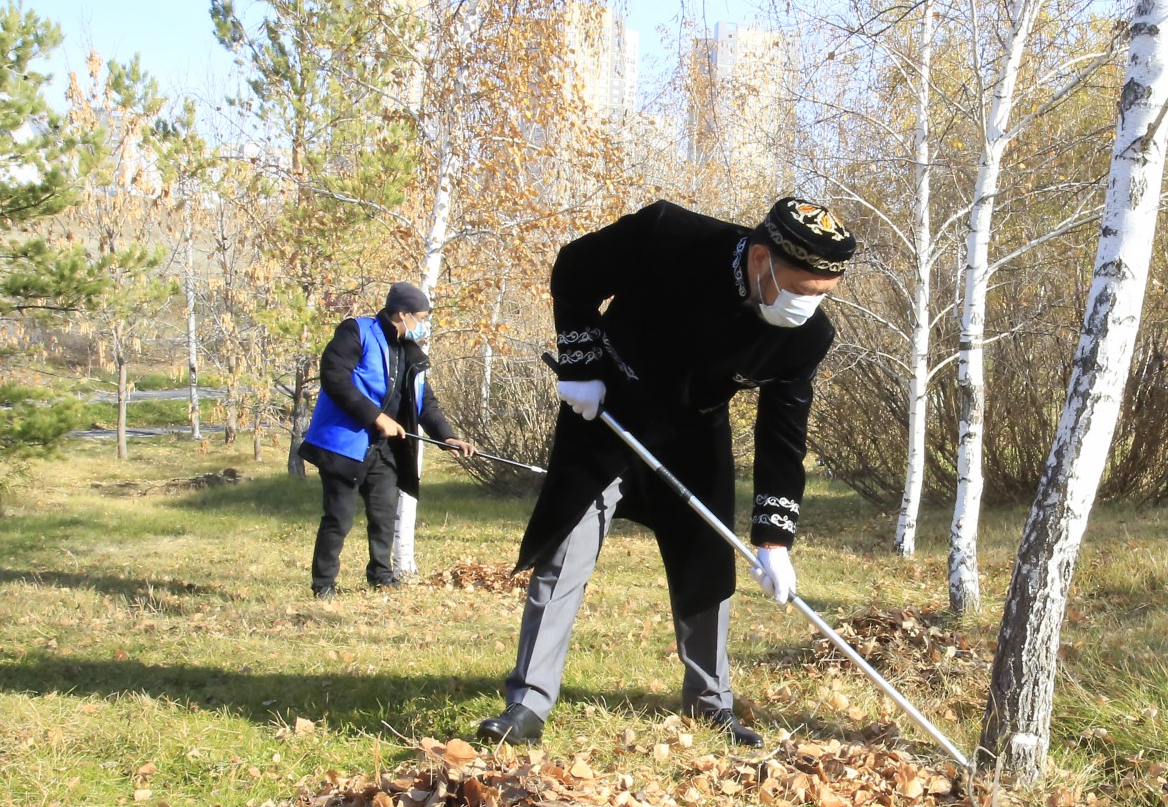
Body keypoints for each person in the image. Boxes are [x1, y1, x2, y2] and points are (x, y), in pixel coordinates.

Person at [474, 197, 856, 748]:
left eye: (821, 296)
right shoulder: (668, 235)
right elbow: (574, 270)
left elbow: (783, 435)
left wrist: (774, 540)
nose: (806, 306)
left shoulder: (807, 337)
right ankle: (527, 704)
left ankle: (710, 704)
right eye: (800, 289)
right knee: (565, 553)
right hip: (607, 412)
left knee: (707, 562)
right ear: (759, 259)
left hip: (695, 435)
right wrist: (582, 367)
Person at [301, 281, 474, 597]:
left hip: (385, 451)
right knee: (338, 518)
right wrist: (377, 418)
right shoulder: (356, 331)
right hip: (344, 444)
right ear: (403, 313)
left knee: (383, 516)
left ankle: (382, 577)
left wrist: (448, 436)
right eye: (420, 318)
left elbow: (426, 403)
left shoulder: (412, 353)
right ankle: (324, 585)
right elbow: (335, 378)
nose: (422, 326)